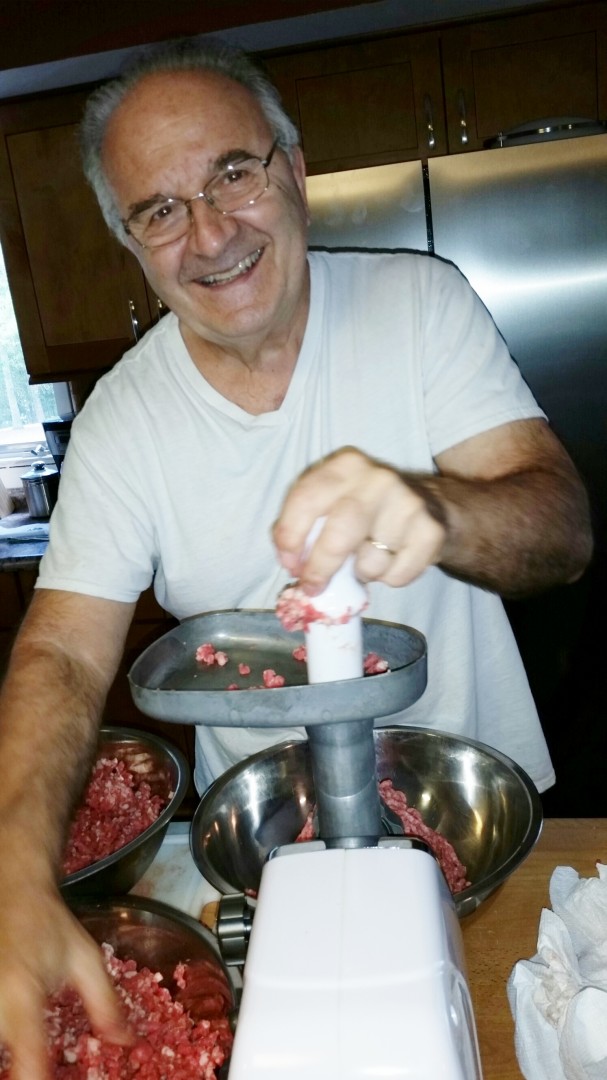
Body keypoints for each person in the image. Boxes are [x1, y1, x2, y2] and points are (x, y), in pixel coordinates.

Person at [0, 35, 592, 1078]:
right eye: (160, 210)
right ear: (131, 242)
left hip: (482, 823)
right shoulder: (123, 424)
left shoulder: (418, 305)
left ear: (294, 169)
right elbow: (62, 655)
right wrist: (12, 873)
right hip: (268, 857)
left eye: (234, 173)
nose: (210, 234)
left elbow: (561, 530)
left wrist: (436, 505)